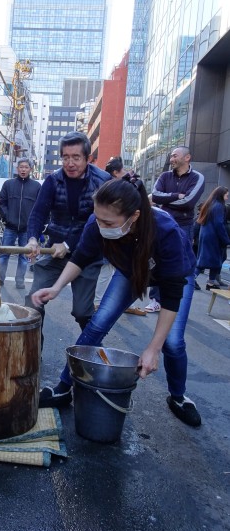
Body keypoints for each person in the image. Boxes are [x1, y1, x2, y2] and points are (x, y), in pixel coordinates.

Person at [32, 176, 202, 427]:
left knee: (173, 343)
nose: (100, 225)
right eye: (98, 218)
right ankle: (63, 387)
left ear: (133, 216)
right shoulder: (97, 223)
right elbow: (81, 257)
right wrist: (56, 288)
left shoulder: (165, 230)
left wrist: (153, 349)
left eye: (108, 222)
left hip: (175, 277)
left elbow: (172, 294)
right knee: (97, 324)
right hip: (129, 271)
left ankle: (178, 397)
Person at [24, 131, 111, 364]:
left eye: (76, 157)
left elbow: (97, 223)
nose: (70, 163)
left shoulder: (102, 181)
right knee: (33, 301)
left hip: (88, 254)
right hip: (55, 251)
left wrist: (69, 243)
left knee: (83, 312)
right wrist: (33, 238)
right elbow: (39, 213)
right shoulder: (53, 180)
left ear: (88, 158)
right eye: (65, 157)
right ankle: (31, 355)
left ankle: (93, 352)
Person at [145, 145, 205, 312]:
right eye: (171, 156)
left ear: (187, 158)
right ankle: (155, 299)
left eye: (175, 156)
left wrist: (165, 200)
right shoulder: (164, 176)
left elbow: (189, 202)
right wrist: (176, 196)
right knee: (156, 260)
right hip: (162, 226)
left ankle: (174, 303)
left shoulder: (197, 178)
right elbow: (154, 195)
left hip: (184, 226)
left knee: (181, 264)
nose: (171, 159)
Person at [94, 156, 146, 316]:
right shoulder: (108, 193)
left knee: (116, 271)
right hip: (115, 247)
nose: (127, 174)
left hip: (129, 246)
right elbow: (80, 257)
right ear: (116, 173)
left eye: (108, 223)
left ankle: (108, 301)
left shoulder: (130, 191)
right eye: (122, 171)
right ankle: (99, 301)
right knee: (106, 268)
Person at [0, 158, 41, 289]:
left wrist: (36, 223)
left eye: (26, 167)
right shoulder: (8, 184)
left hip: (27, 228)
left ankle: (20, 280)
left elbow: (40, 206)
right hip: (10, 226)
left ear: (30, 169)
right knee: (4, 254)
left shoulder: (36, 186)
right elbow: (1, 202)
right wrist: (7, 216)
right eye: (21, 167)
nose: (23, 169)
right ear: (17, 168)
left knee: (24, 256)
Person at [194, 186, 230, 290]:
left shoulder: (210, 204)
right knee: (210, 260)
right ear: (221, 194)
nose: (227, 197)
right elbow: (219, 223)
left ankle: (210, 282)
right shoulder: (219, 206)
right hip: (213, 237)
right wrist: (226, 239)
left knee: (210, 260)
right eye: (226, 195)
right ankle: (194, 280)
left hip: (207, 235)